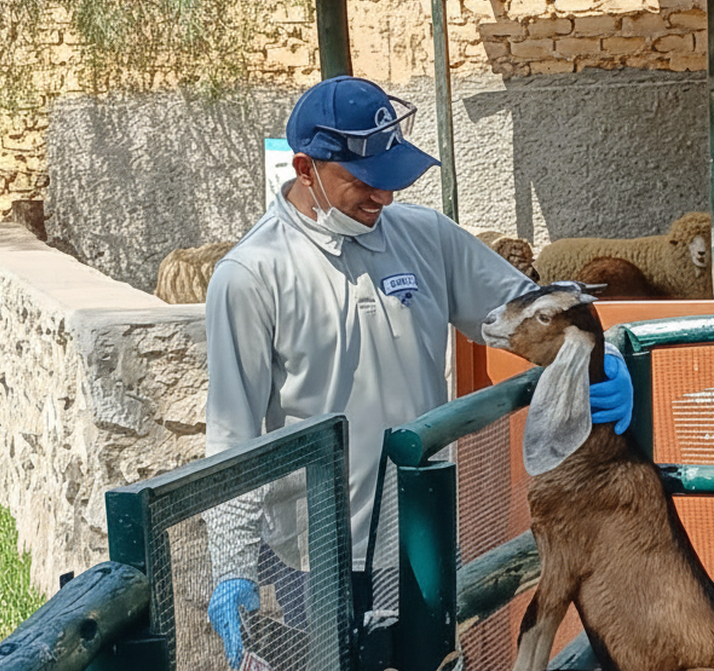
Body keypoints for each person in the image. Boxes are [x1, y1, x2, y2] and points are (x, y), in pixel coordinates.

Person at [202, 75, 634, 669]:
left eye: (391, 179)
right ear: (305, 168)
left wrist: (597, 360)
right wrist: (230, 567)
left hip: (422, 535)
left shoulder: (424, 236)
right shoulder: (252, 275)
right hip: (319, 557)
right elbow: (233, 432)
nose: (382, 196)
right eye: (363, 181)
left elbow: (520, 312)